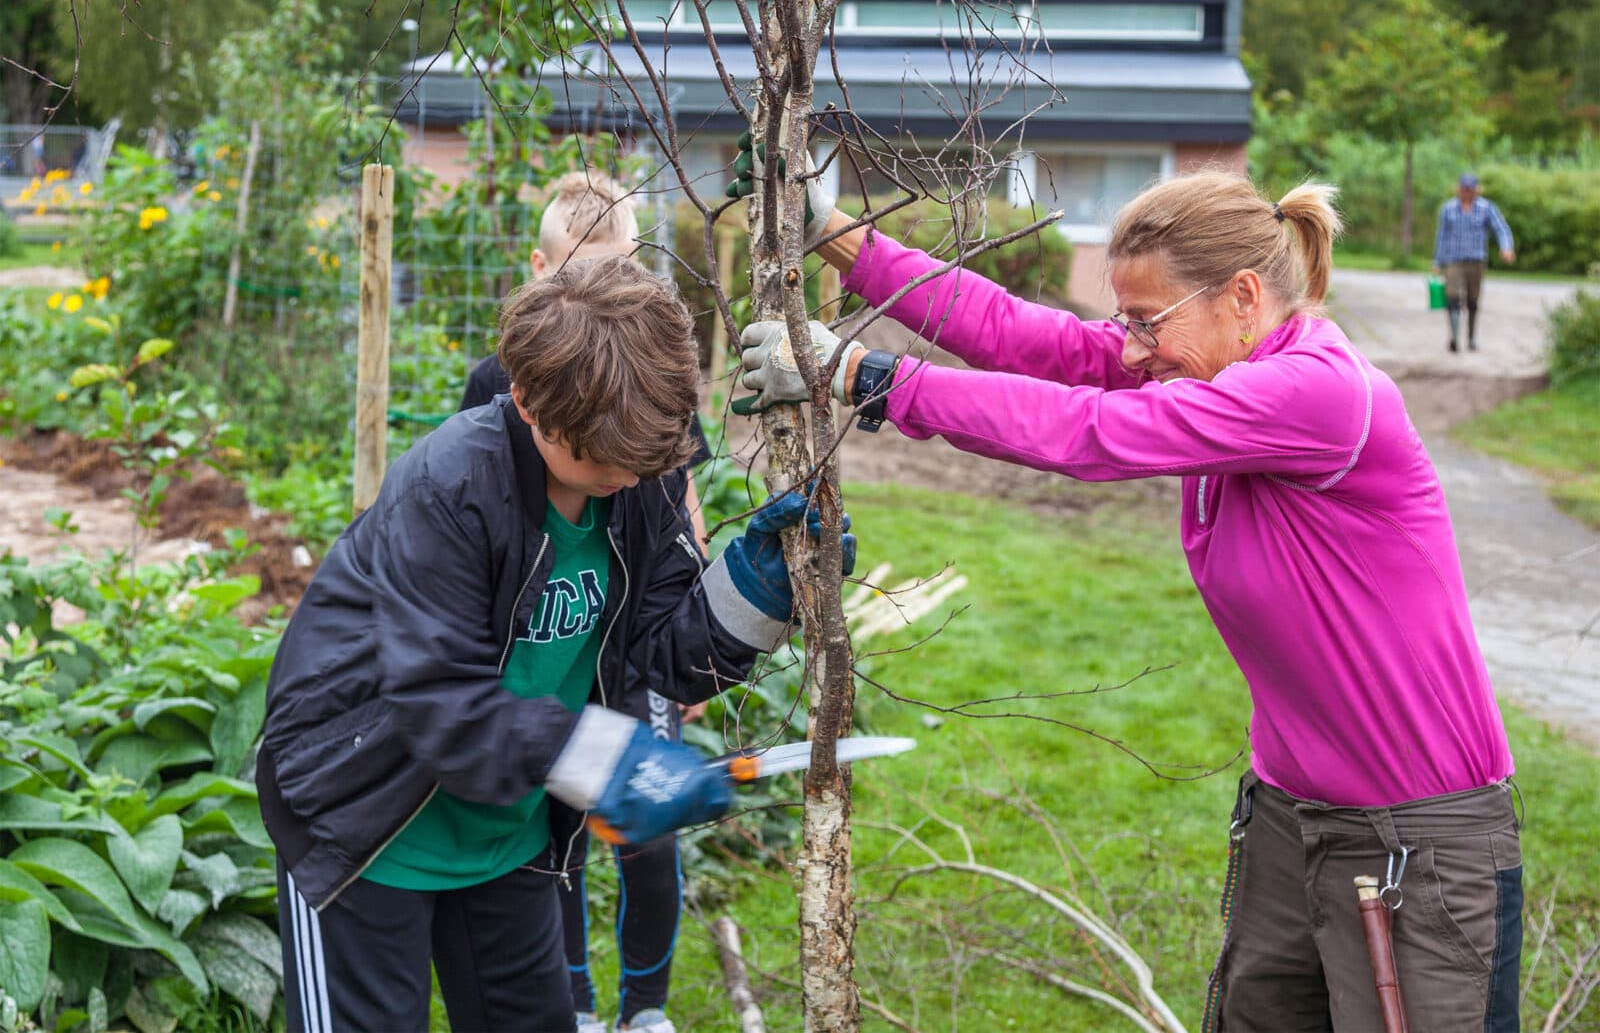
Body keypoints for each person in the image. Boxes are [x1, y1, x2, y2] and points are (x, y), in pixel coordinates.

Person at [734, 152, 1521, 1031]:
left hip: (1417, 837)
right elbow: (1028, 338)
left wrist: (866, 378)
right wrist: (833, 237)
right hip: (1288, 816)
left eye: (1148, 322)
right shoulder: (1204, 364)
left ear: (1245, 298)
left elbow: (1090, 431)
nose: (1132, 348)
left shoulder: (1320, 393)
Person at [259, 254, 856, 1033]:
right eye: (601, 458)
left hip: (505, 836)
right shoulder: (448, 490)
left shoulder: (636, 481)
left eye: (641, 460)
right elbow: (443, 702)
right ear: (527, 401)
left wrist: (758, 589)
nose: (623, 474)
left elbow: (665, 652)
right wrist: (608, 759)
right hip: (362, 826)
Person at [458, 170, 708, 1033]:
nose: (611, 294)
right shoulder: (493, 382)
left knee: (650, 837)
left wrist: (700, 626)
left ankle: (646, 1011)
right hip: (554, 652)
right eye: (583, 274)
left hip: (633, 651)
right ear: (541, 268)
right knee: (550, 834)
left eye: (627, 271)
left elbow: (681, 498)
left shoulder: (651, 364)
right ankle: (576, 1005)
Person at [1433, 172, 1516, 353]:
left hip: (1476, 261)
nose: (1467, 192)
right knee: (1453, 297)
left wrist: (1506, 247)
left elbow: (1501, 228)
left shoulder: (1486, 208)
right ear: (1459, 189)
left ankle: (1471, 338)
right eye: (1464, 189)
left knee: (1472, 300)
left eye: (1470, 189)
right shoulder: (1447, 209)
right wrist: (1437, 260)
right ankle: (1454, 339)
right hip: (1453, 260)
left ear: (1477, 190)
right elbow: (1441, 236)